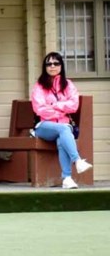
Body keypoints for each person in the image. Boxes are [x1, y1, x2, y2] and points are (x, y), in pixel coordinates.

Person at [31, 51, 92, 189]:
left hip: (63, 128)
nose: (52, 66)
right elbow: (40, 109)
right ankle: (77, 161)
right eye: (49, 64)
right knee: (65, 129)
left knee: (62, 138)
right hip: (44, 127)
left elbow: (74, 105)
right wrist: (61, 111)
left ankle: (67, 178)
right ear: (45, 67)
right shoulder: (39, 86)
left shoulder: (68, 85)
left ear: (61, 66)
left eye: (56, 63)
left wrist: (55, 105)